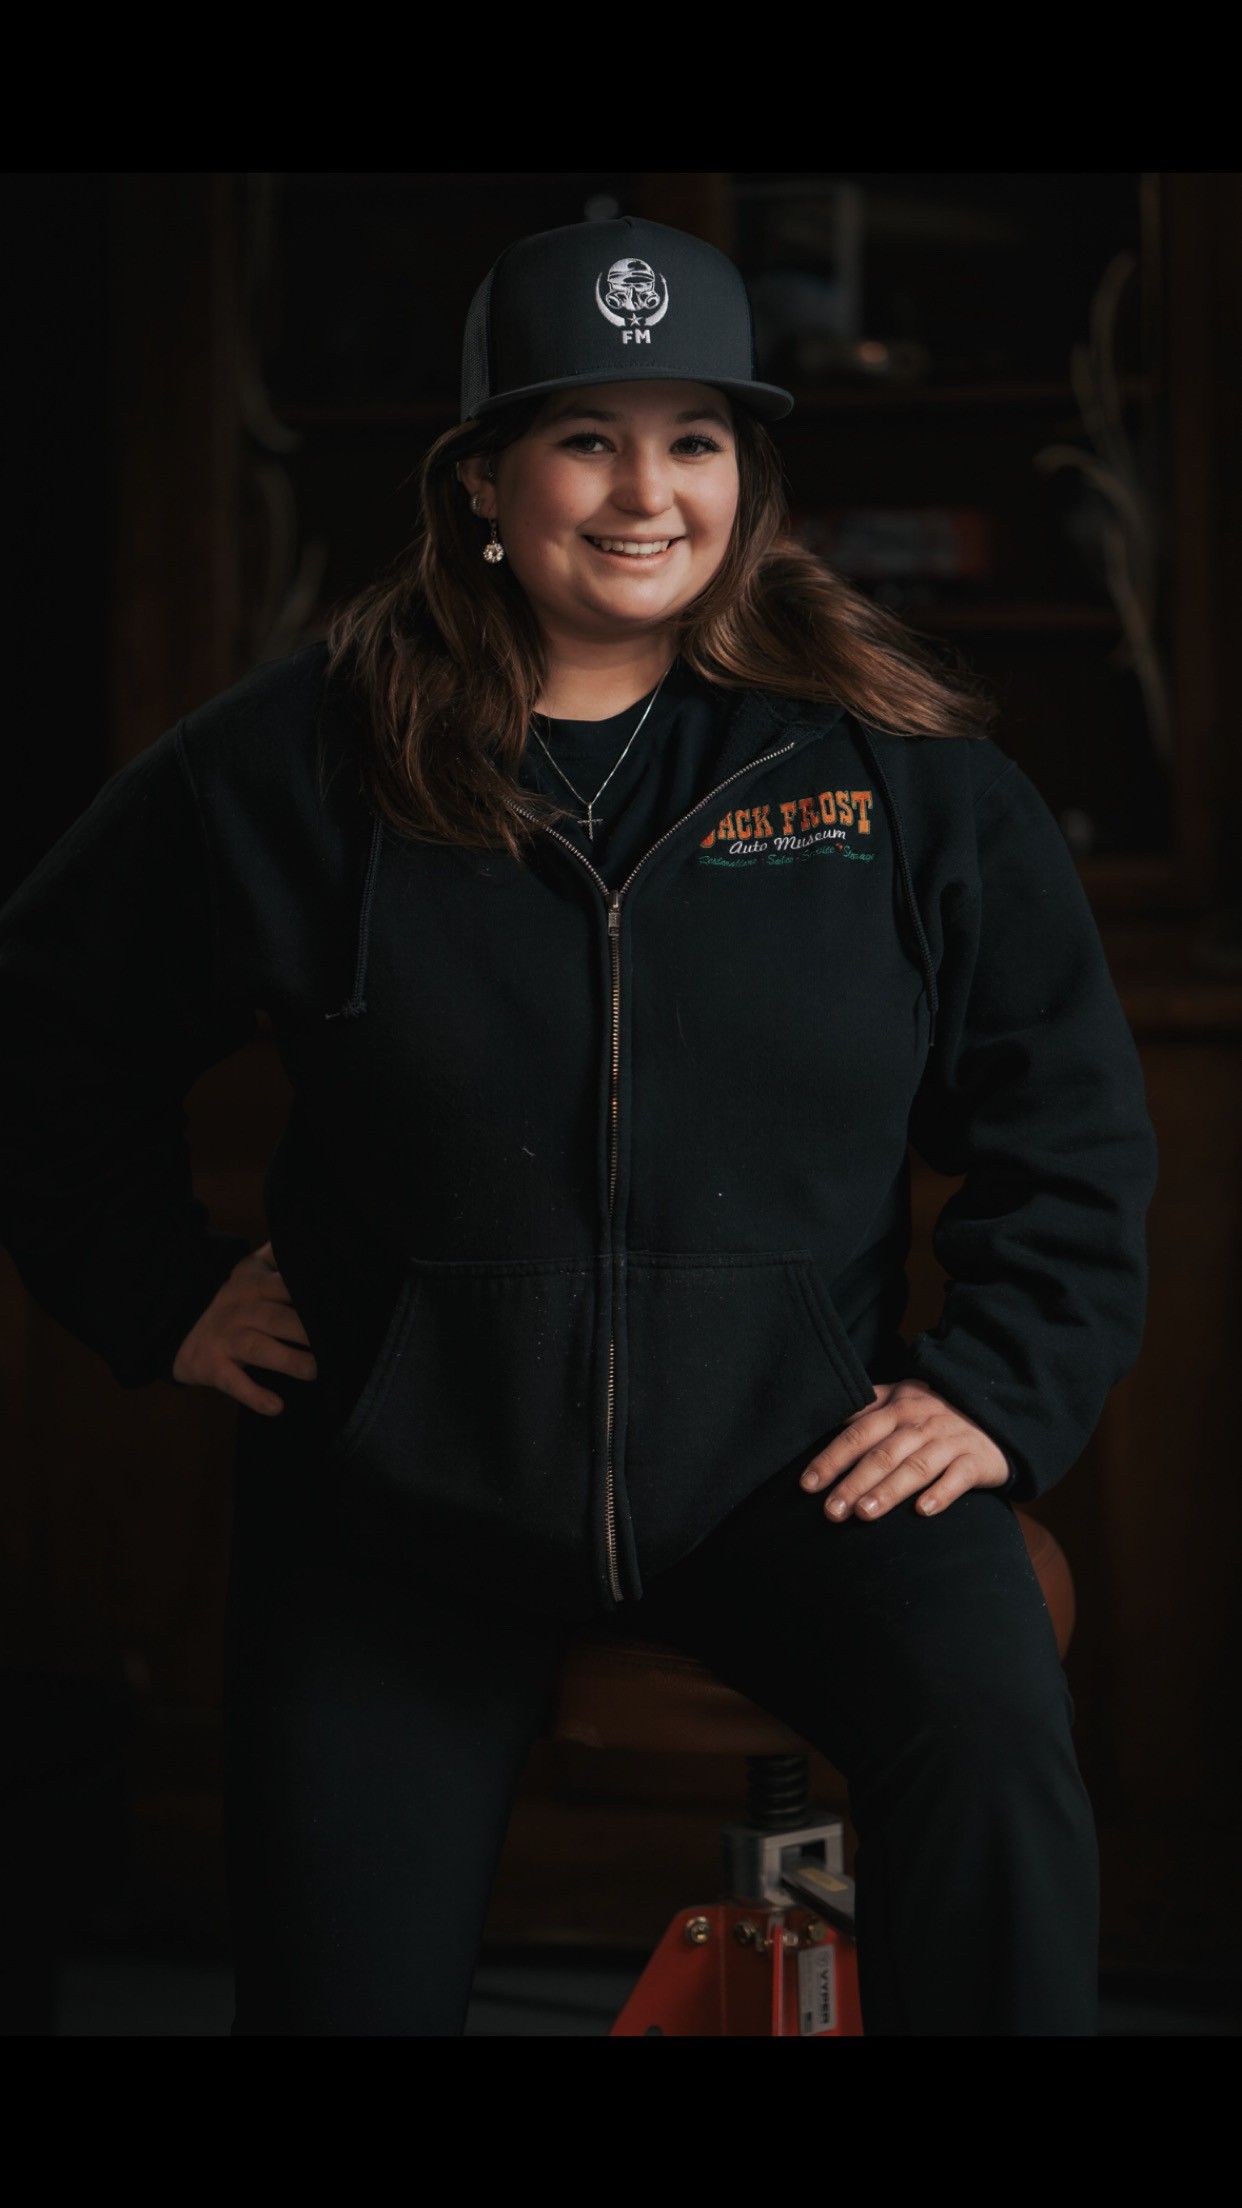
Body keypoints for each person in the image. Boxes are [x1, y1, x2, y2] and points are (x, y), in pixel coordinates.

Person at [0, 214, 1159, 2036]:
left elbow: (1069, 1116)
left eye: (693, 439)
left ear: (745, 479)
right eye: (585, 437)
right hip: (405, 1502)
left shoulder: (893, 770)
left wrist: (999, 1385)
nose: (645, 493)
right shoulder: (303, 760)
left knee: (1001, 1758)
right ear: (482, 481)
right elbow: (40, 1022)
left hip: (797, 1475)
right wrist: (156, 1287)